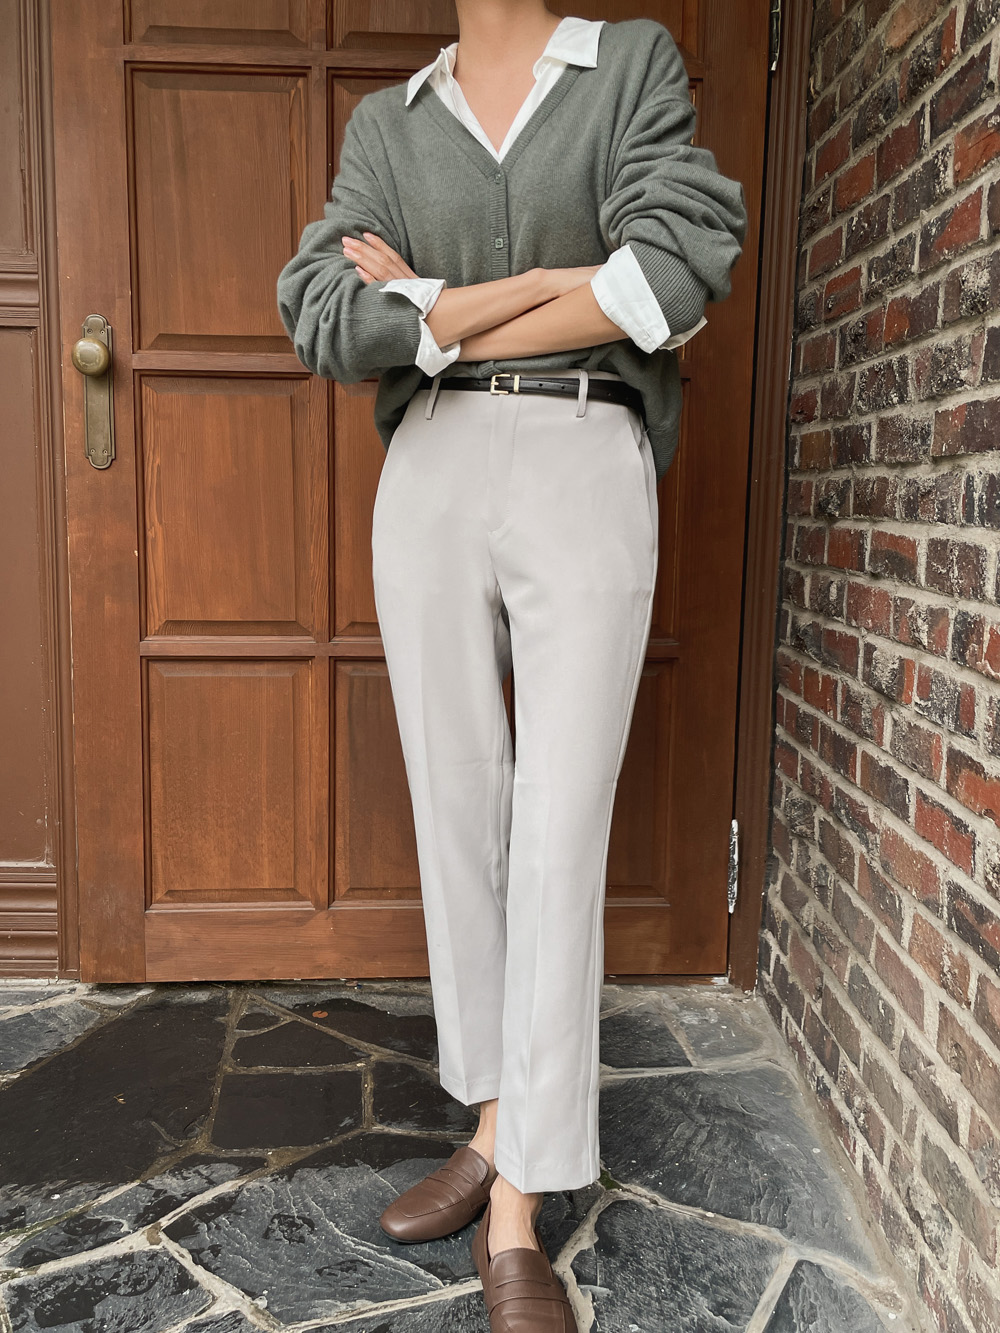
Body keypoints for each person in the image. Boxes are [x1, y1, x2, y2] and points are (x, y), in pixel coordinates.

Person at [277, 5, 747, 1328]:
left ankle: (520, 1204)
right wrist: (554, 287)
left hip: (585, 455)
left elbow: (673, 272)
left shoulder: (628, 65)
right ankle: (492, 1119)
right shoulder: (389, 123)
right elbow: (323, 309)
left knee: (556, 830)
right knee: (457, 811)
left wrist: (430, 308)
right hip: (431, 469)